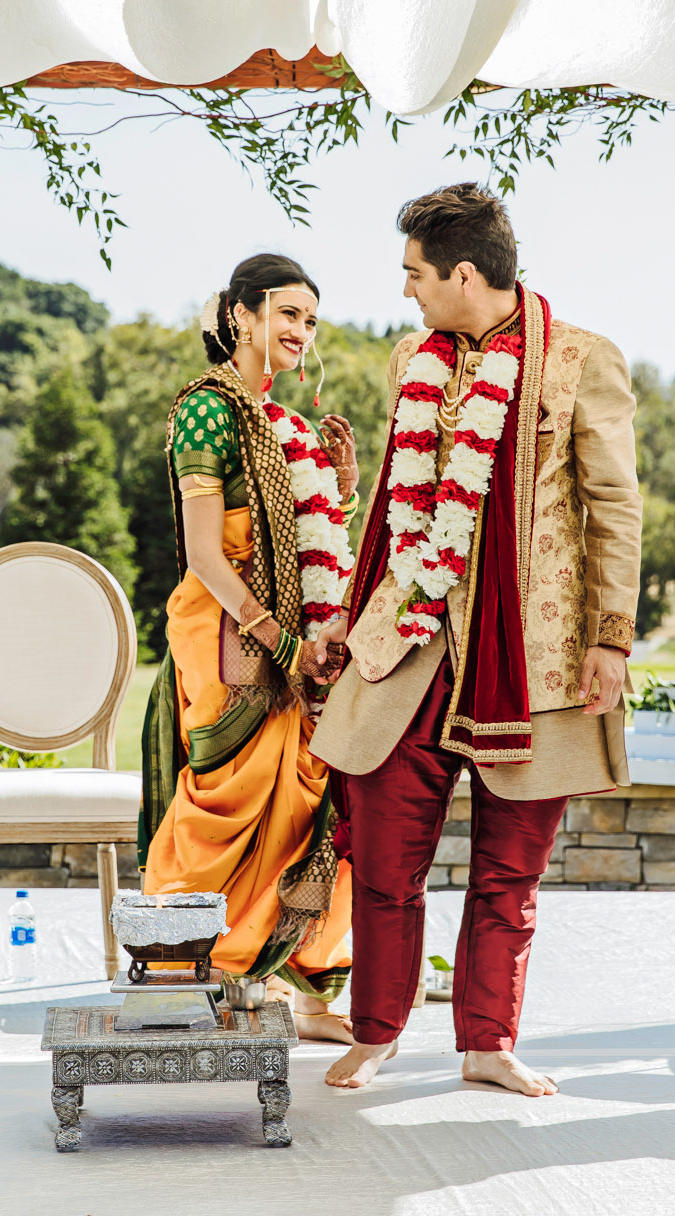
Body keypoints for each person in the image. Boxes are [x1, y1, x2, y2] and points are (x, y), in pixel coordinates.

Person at [311, 183, 640, 1096]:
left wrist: (610, 637)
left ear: (464, 272)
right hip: (407, 645)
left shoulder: (582, 361)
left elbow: (614, 507)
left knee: (510, 868)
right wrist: (346, 605)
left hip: (536, 656)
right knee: (380, 854)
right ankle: (376, 1029)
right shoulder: (409, 359)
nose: (406, 291)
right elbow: (388, 492)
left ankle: (487, 1041)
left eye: (415, 273)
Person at [137, 254, 360, 1043]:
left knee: (312, 809)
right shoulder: (208, 411)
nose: (301, 331)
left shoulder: (287, 426)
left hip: (294, 643)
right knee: (225, 803)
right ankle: (177, 976)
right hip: (230, 638)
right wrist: (280, 641)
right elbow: (206, 554)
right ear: (240, 314)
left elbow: (314, 551)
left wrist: (341, 487)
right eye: (288, 313)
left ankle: (310, 996)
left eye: (310, 320)